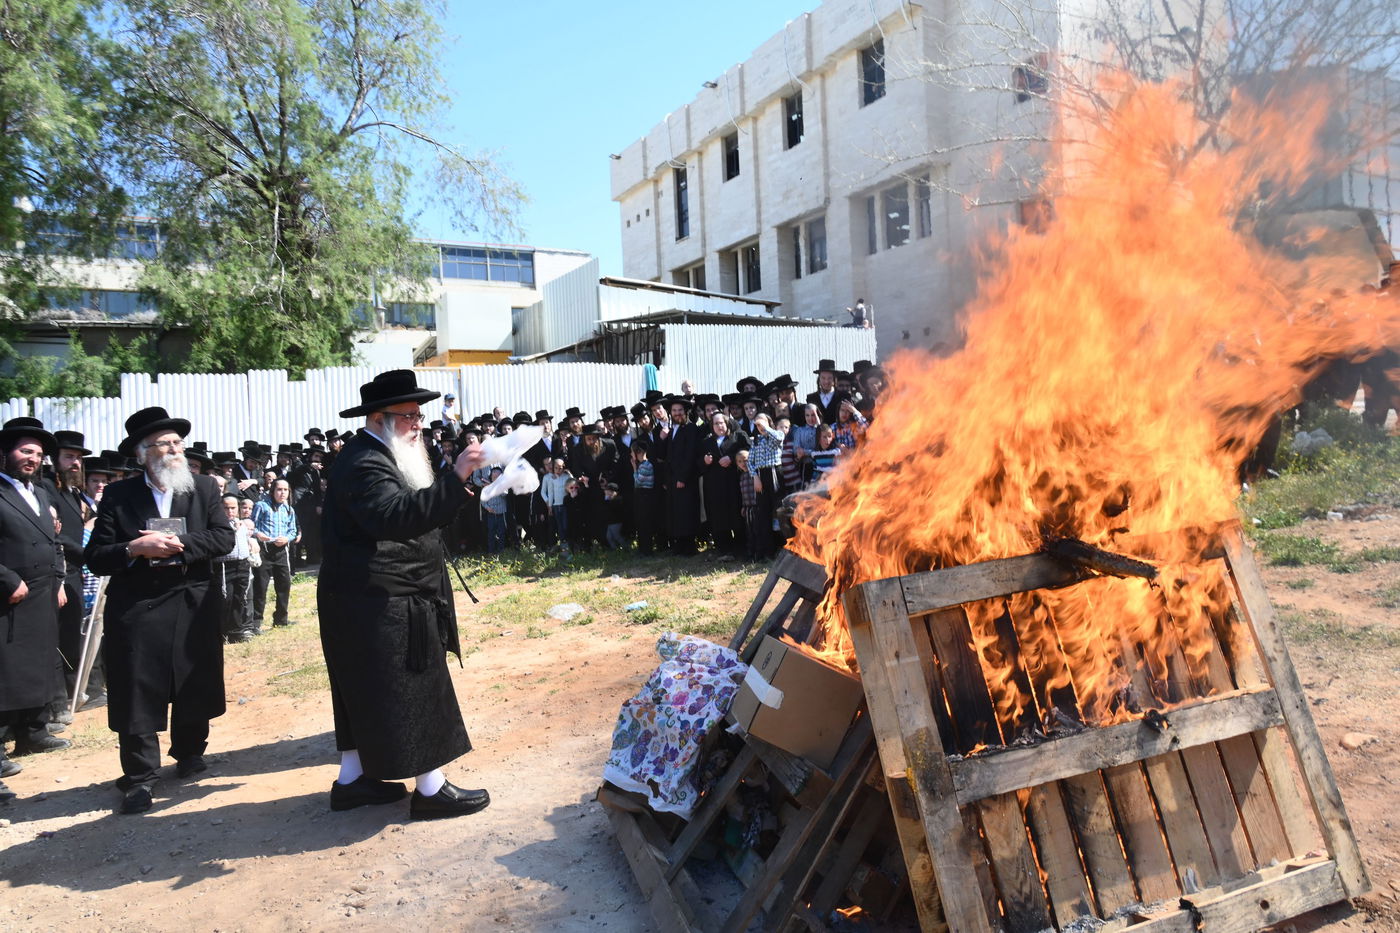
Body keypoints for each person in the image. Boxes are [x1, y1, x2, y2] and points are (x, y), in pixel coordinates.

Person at [318, 369, 489, 820]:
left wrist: (454, 485)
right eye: (409, 416)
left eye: (419, 415)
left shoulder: (380, 453)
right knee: (413, 690)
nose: (418, 424)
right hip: (380, 601)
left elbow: (417, 510)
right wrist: (457, 475)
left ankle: (352, 781)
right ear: (378, 418)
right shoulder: (365, 462)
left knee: (365, 692)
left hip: (370, 597)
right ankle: (431, 790)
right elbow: (395, 517)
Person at [84, 406, 234, 815]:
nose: (174, 450)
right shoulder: (119, 496)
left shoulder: (203, 487)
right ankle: (140, 777)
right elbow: (96, 556)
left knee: (192, 679)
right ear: (142, 453)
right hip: (138, 605)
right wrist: (135, 548)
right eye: (164, 444)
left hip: (191, 600)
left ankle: (189, 752)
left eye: (177, 443)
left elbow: (222, 538)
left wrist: (180, 546)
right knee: (137, 688)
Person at [0, 418, 70, 797]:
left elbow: (53, 541)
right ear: (5, 453)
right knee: (7, 670)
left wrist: (58, 581)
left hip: (44, 593)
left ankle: (33, 731)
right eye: (25, 451)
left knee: (41, 662)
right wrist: (7, 580)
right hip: (9, 595)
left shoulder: (41, 492)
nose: (33, 459)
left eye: (38, 454)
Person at [698, 412, 749, 558]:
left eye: (721, 423)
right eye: (716, 423)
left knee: (737, 516)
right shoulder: (706, 442)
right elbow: (698, 463)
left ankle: (740, 548)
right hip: (715, 487)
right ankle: (724, 549)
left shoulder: (737, 437)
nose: (719, 426)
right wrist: (704, 461)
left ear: (727, 424)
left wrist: (732, 458)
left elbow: (748, 450)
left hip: (734, 484)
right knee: (719, 518)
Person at [251, 478, 299, 630]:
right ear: (272, 491)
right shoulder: (261, 506)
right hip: (265, 549)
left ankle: (281, 619)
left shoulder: (289, 509)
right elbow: (251, 526)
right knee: (261, 586)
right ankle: (256, 622)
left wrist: (287, 538)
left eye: (285, 490)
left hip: (281, 551)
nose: (282, 493)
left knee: (284, 585)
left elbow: (293, 530)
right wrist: (258, 534)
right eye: (279, 489)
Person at [663, 396, 702, 555]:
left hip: (686, 478)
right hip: (673, 478)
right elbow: (668, 456)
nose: (677, 413)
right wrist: (667, 479)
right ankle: (679, 545)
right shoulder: (672, 430)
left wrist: (682, 477)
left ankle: (689, 546)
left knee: (687, 511)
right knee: (676, 512)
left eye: (680, 410)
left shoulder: (691, 428)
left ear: (685, 412)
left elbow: (690, 455)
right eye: (674, 410)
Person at [215, 494, 256, 643]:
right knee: (226, 598)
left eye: (233, 508)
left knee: (240, 597)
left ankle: (237, 630)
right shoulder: (217, 525)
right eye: (226, 508)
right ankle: (222, 632)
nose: (230, 511)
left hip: (242, 563)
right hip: (225, 565)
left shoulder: (242, 524)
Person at [630, 439, 660, 556]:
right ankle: (642, 548)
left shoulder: (646, 466)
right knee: (640, 523)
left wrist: (634, 468)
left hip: (645, 497)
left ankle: (647, 550)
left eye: (633, 452)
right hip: (640, 496)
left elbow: (638, 482)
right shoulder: (642, 465)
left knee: (645, 523)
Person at [806, 360, 850, 424]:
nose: (826, 381)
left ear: (834, 379)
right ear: (819, 379)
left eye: (829, 378)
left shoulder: (843, 397)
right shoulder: (811, 398)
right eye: (823, 378)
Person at [481, 470, 508, 554]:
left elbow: (504, 494)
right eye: (494, 477)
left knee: (501, 533)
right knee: (491, 533)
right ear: (491, 477)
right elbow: (483, 501)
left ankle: (501, 551)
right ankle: (491, 551)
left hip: (501, 514)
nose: (495, 479)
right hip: (491, 513)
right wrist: (487, 508)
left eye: (497, 477)